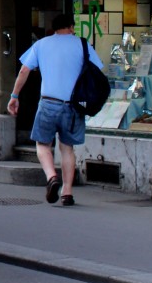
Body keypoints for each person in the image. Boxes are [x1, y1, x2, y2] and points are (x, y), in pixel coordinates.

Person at [8, 12, 104, 207]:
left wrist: (14, 96)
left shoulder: (41, 44)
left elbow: (24, 70)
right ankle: (67, 192)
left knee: (42, 145)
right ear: (70, 27)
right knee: (67, 148)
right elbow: (98, 71)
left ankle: (52, 176)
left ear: (53, 28)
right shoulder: (83, 45)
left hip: (48, 103)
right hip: (73, 105)